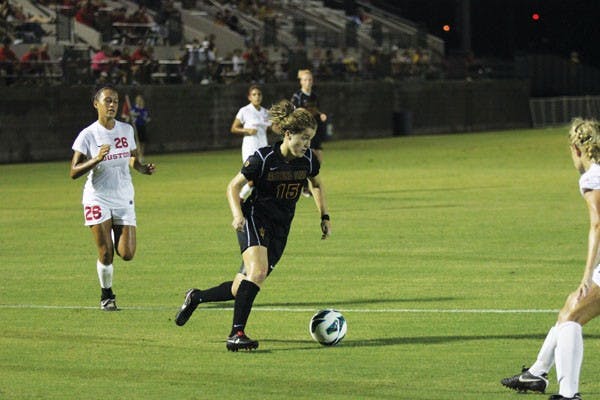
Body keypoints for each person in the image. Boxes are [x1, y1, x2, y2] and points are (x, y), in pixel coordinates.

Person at [175, 99, 332, 351]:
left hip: (281, 229)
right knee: (257, 273)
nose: (307, 144)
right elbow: (233, 186)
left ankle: (197, 296)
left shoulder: (308, 160)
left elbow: (315, 183)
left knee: (242, 287)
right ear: (288, 134)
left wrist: (324, 216)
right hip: (254, 219)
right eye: (303, 138)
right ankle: (236, 334)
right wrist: (237, 214)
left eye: (310, 139)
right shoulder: (263, 158)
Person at [501, 118, 600, 400]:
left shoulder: (592, 178)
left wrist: (587, 274)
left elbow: (597, 225)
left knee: (571, 319)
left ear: (576, 149)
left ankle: (569, 395)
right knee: (570, 307)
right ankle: (536, 373)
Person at [69, 85, 156, 311]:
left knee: (127, 254)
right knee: (106, 252)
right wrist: (96, 159)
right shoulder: (87, 135)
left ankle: (114, 236)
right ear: (96, 104)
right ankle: (107, 295)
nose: (112, 105)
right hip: (97, 197)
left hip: (124, 197)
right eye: (107, 101)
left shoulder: (126, 130)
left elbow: (132, 157)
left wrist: (142, 169)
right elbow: (73, 171)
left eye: (115, 101)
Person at [230, 84, 272, 200]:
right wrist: (246, 130)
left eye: (259, 94)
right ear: (249, 97)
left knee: (262, 177)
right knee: (254, 176)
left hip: (263, 148)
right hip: (250, 148)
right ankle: (240, 197)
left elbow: (271, 129)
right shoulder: (244, 111)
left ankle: (249, 201)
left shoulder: (266, 112)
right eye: (254, 95)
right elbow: (234, 128)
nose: (257, 97)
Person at [291, 69, 328, 196]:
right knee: (309, 155)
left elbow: (316, 109)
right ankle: (305, 186)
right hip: (303, 131)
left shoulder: (315, 96)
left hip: (315, 129)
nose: (308, 82)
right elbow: (293, 111)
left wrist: (321, 114)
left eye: (310, 80)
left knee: (319, 156)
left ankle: (307, 180)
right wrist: (300, 112)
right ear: (301, 82)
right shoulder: (297, 96)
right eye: (305, 80)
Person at [130, 94, 150, 161]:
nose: (139, 101)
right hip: (136, 126)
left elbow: (146, 117)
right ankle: (138, 156)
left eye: (140, 100)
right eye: (138, 100)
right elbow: (131, 114)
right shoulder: (134, 108)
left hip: (143, 126)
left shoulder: (144, 109)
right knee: (137, 142)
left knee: (143, 142)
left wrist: (147, 119)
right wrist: (136, 114)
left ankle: (142, 155)